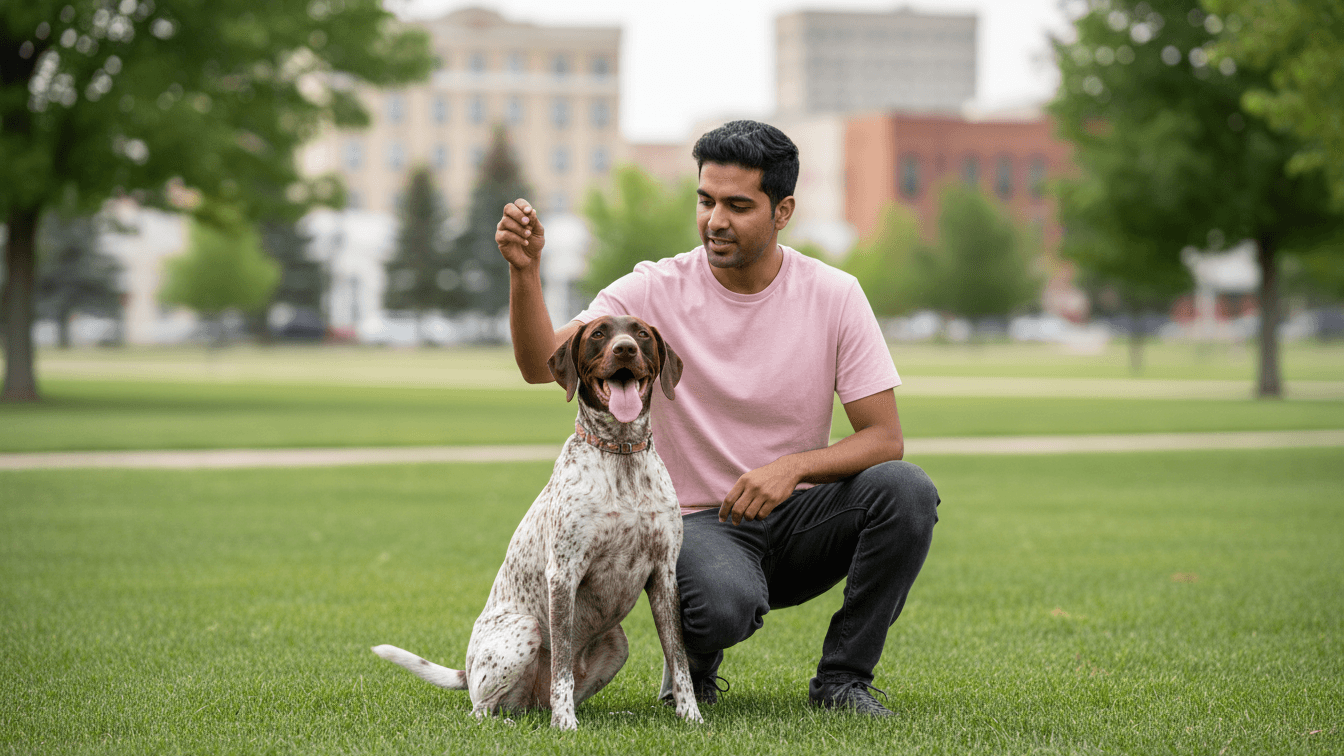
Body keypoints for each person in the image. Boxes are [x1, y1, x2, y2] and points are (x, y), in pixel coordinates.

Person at [495, 120, 939, 716]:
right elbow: (539, 364)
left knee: (905, 491)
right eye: (705, 201)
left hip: (800, 517)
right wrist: (525, 273)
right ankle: (693, 673)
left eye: (737, 205)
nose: (715, 220)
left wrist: (792, 469)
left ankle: (842, 681)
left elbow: (885, 438)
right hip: (698, 526)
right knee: (722, 603)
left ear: (782, 211)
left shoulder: (835, 294)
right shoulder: (652, 289)